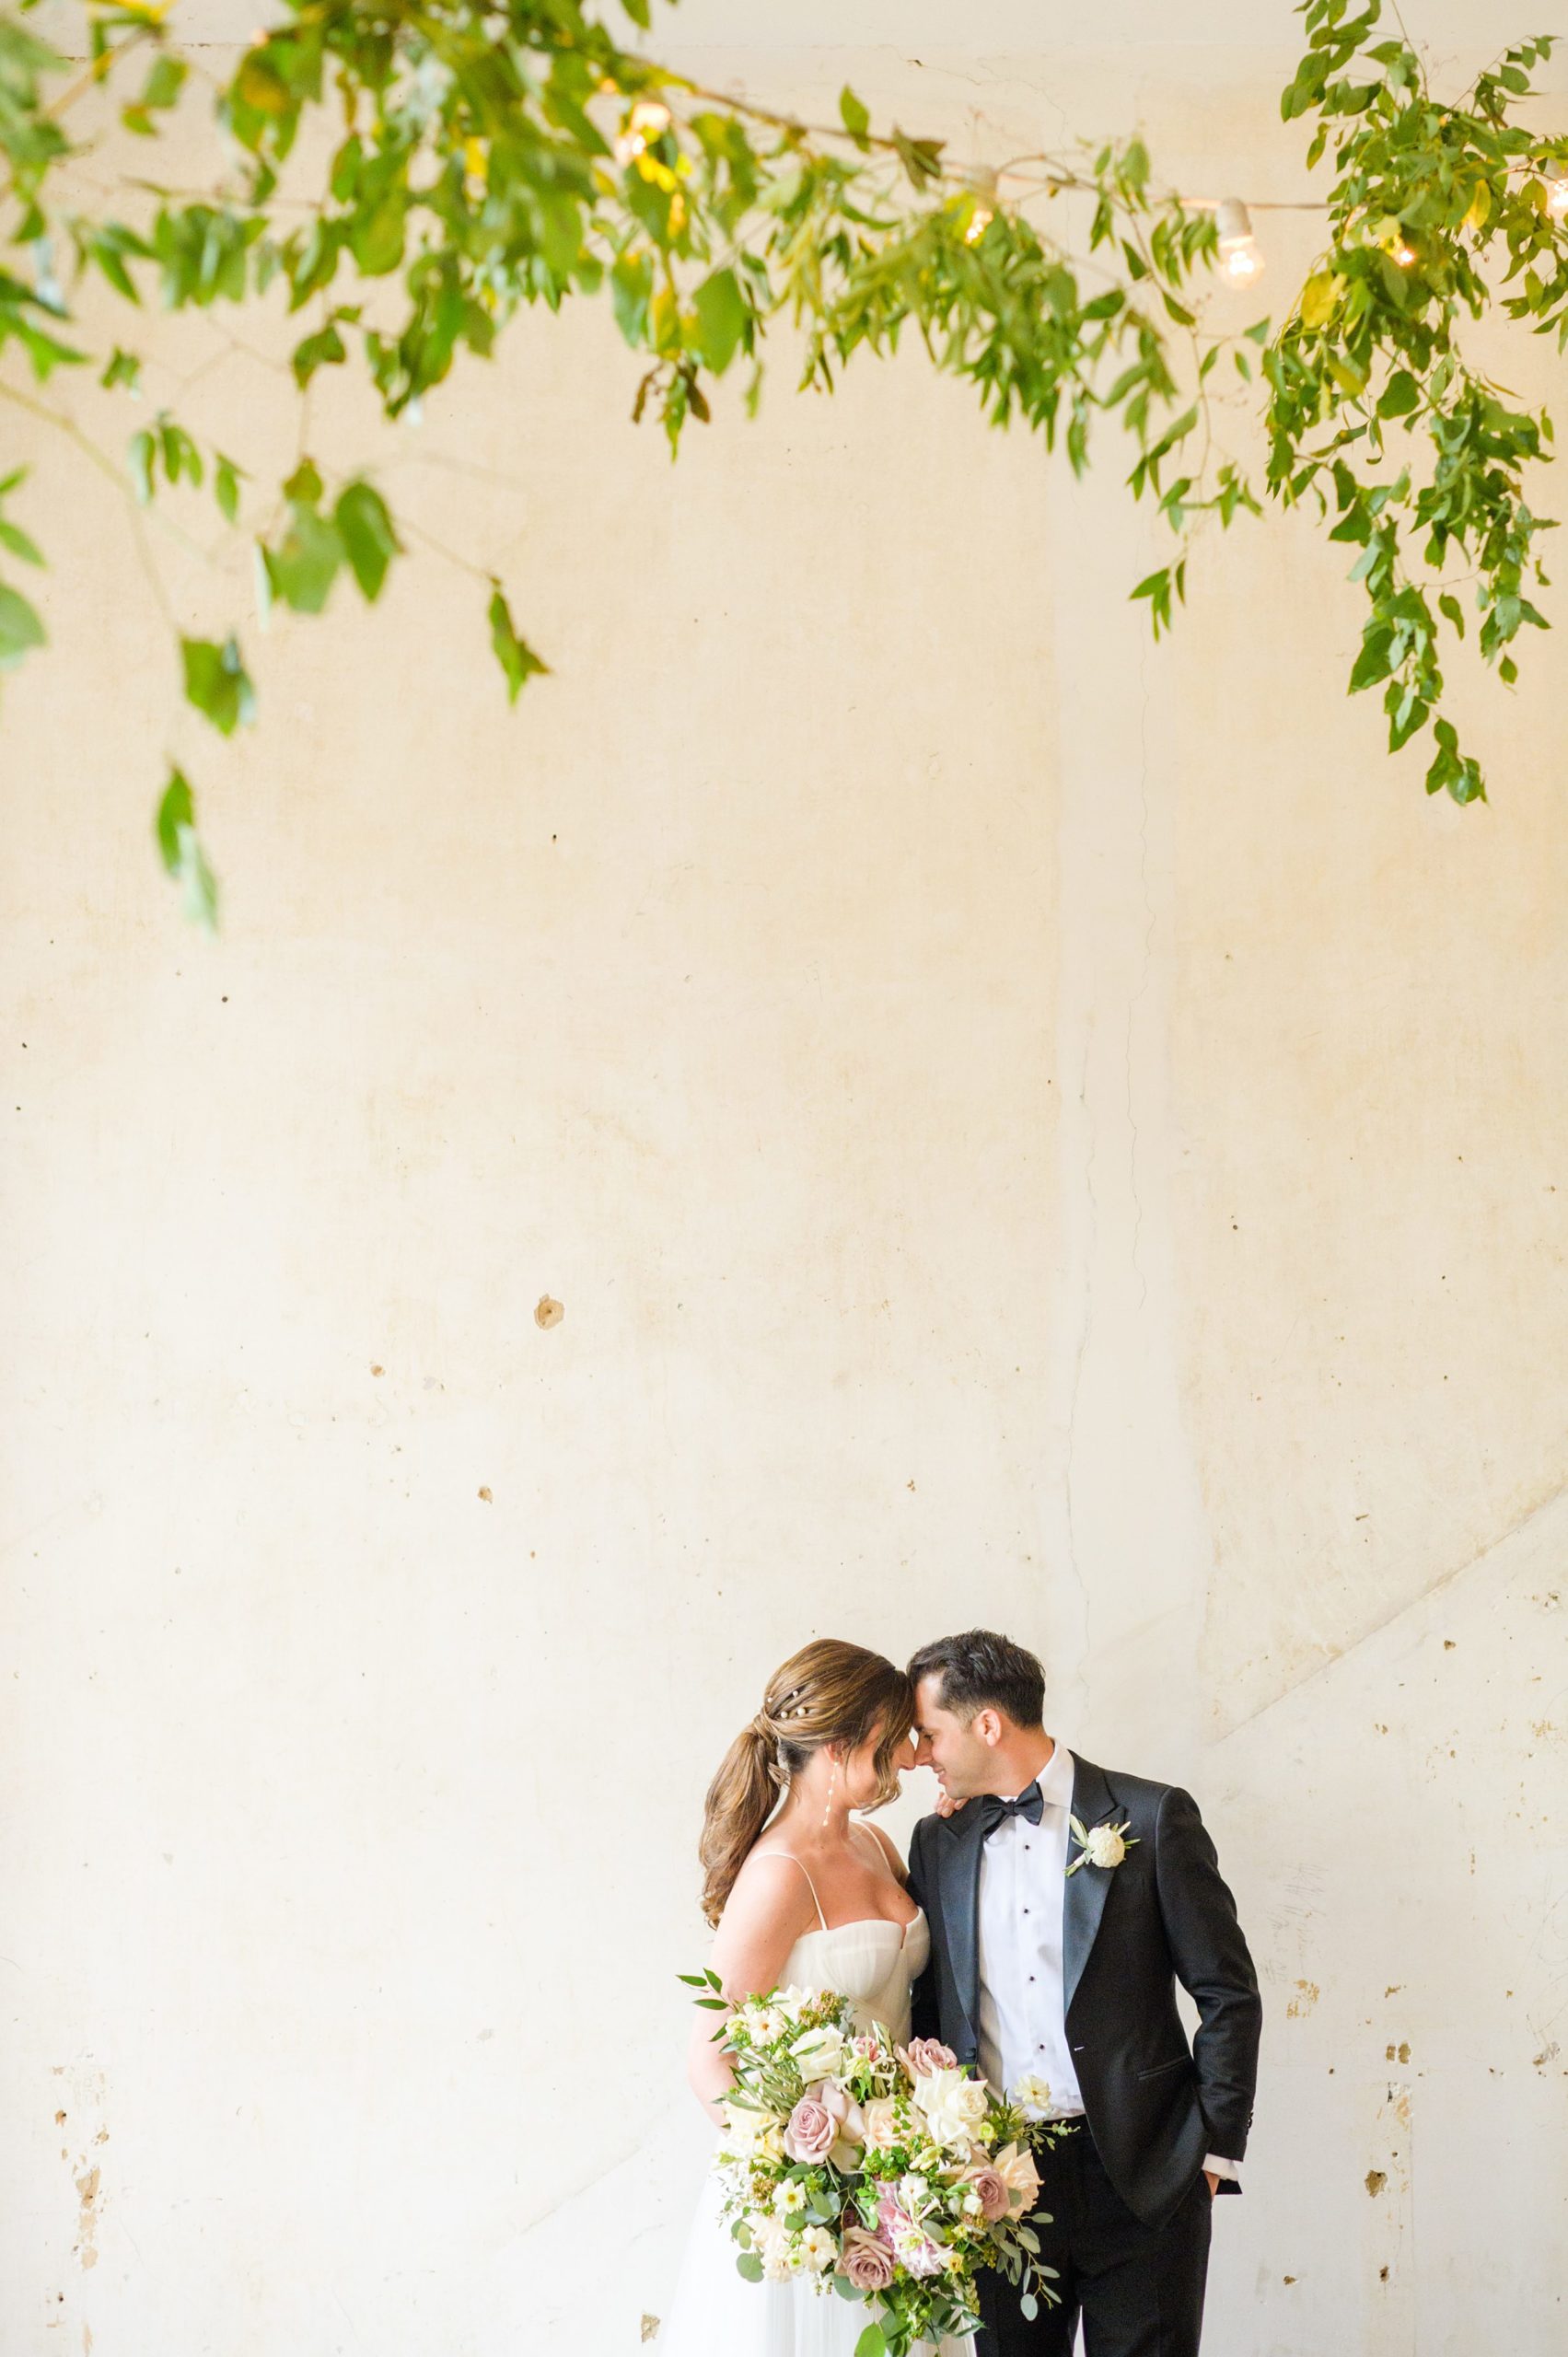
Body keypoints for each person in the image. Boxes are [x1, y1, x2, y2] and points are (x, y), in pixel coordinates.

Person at [906, 1630, 1260, 2357]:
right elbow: (930, 2005)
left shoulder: (1153, 1817)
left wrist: (1210, 2154)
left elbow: (1227, 1992)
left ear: (986, 1724)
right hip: (995, 2181)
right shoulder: (935, 1840)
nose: (920, 1754)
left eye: (928, 1733)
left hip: (1144, 2170)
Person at [656, 1637, 974, 2357]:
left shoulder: (874, 1846)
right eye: (891, 1741)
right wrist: (804, 2181)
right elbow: (709, 2058)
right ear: (837, 1745)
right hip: (820, 2199)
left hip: (900, 2181)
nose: (910, 1757)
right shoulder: (777, 1876)